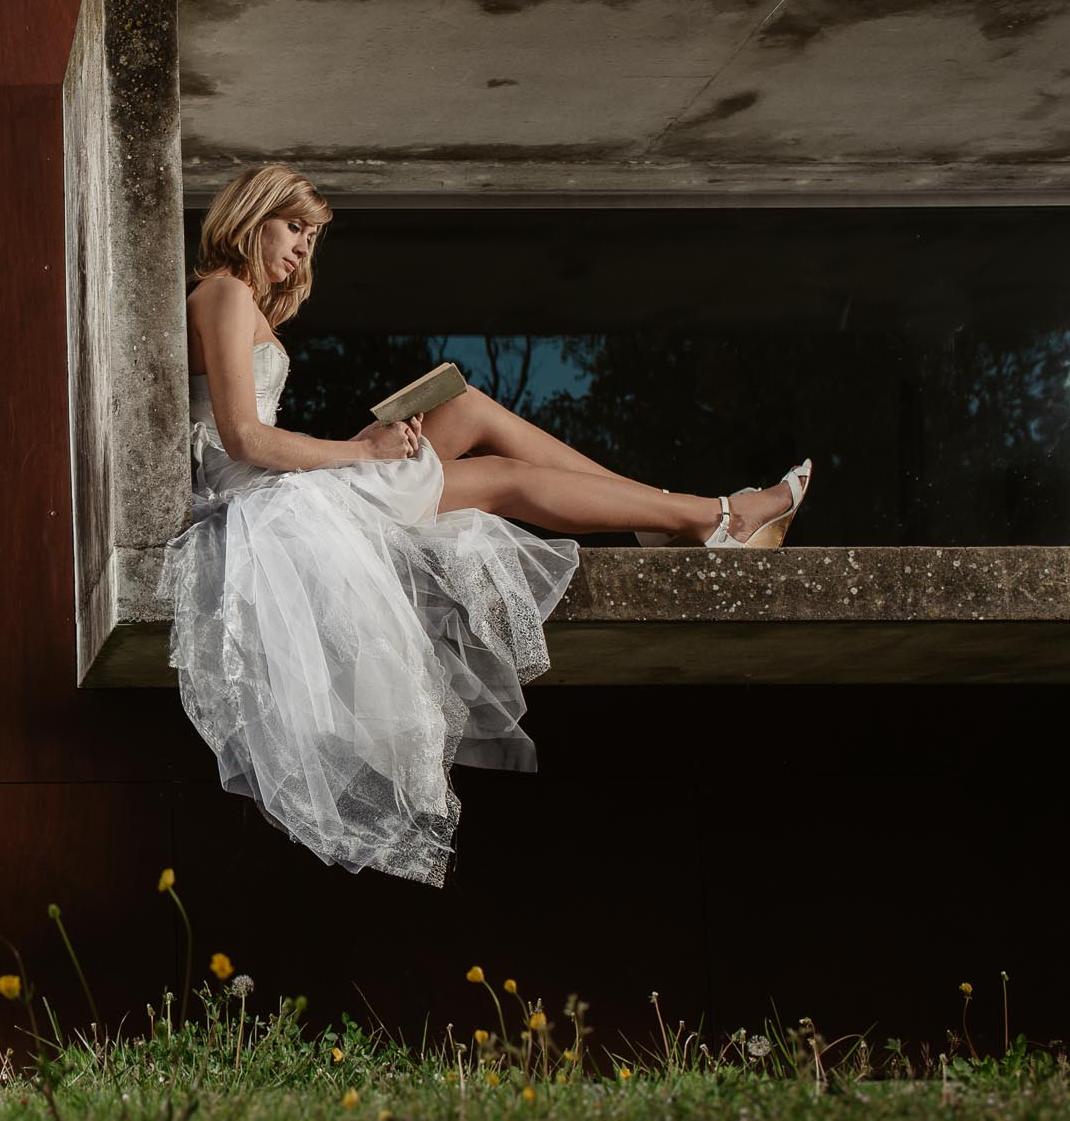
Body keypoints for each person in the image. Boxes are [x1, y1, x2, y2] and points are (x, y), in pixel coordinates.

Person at [165, 164, 810, 886]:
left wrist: (368, 448)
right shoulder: (223, 292)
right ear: (252, 216)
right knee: (501, 481)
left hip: (287, 494)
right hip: (267, 507)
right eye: (295, 229)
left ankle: (671, 519)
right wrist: (359, 451)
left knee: (465, 406)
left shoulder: (239, 300)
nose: (303, 251)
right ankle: (715, 515)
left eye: (312, 238)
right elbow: (245, 438)